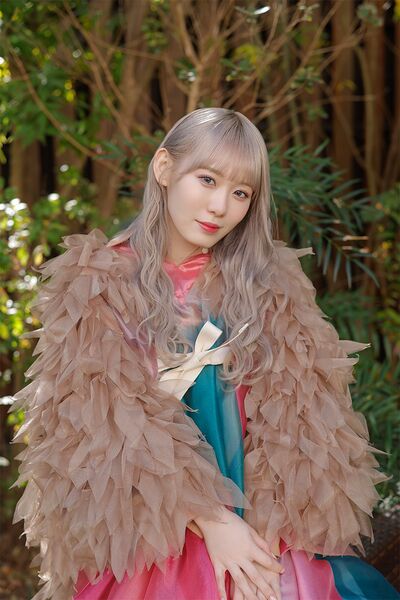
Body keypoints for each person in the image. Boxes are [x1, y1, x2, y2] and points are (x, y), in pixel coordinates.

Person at [9, 108, 399, 600]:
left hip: (262, 511)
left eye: (240, 193)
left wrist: (267, 526)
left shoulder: (267, 284)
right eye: (208, 179)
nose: (220, 206)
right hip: (156, 514)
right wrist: (214, 522)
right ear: (164, 168)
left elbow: (306, 413)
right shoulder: (99, 284)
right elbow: (100, 427)